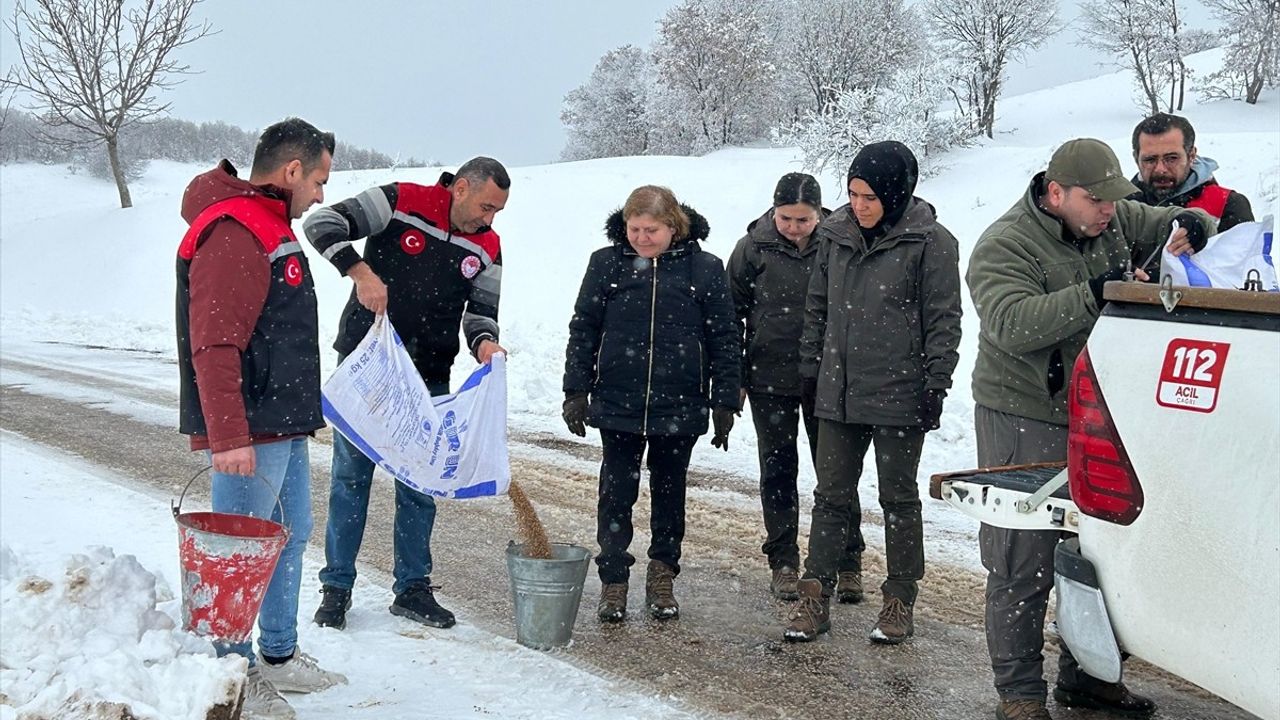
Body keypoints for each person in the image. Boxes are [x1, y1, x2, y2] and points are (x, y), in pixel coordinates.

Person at [967, 138, 1215, 720]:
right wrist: (1093, 292)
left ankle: (1089, 677)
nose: (1109, 211)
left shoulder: (1113, 215)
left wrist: (1192, 225)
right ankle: (1021, 695)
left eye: (1114, 200)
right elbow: (1010, 324)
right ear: (1057, 194)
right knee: (1021, 559)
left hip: (1098, 409)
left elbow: (1184, 217)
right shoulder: (1004, 244)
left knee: (1099, 552)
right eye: (1095, 200)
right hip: (1023, 412)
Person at [177, 117, 347, 720]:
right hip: (250, 428)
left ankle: (277, 652)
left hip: (283, 420)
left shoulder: (270, 224)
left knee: (289, 536)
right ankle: (232, 671)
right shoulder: (235, 228)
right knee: (240, 553)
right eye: (320, 181)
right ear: (293, 170)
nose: (322, 195)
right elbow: (215, 342)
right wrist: (227, 436)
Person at [304, 157, 510, 631]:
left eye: (497, 211)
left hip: (429, 373)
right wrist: (359, 271)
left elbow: (481, 311)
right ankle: (336, 588)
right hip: (369, 364)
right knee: (350, 479)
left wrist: (484, 343)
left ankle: (412, 589)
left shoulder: (488, 246)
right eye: (485, 206)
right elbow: (322, 222)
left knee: (420, 485)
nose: (489, 218)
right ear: (460, 188)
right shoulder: (400, 202)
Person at [782, 141, 962, 646]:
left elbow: (944, 320)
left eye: (869, 196)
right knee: (830, 497)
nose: (858, 205)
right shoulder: (834, 235)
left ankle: (899, 599)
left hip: (900, 392)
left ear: (896, 192)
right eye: (852, 193)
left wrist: (935, 383)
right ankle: (814, 595)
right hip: (837, 390)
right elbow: (817, 307)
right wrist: (809, 368)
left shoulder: (932, 243)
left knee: (898, 499)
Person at [562, 185, 740, 622]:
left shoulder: (705, 268)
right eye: (634, 228)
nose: (641, 238)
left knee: (668, 493)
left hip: (679, 403)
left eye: (651, 230)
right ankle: (614, 580)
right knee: (616, 494)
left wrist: (724, 402)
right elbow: (583, 328)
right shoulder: (606, 265)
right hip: (618, 399)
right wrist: (575, 391)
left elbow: (725, 338)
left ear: (673, 226)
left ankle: (662, 575)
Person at [727, 173, 865, 603]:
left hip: (828, 378)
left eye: (802, 219)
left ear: (820, 213)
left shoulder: (839, 242)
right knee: (778, 470)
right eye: (785, 218)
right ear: (773, 211)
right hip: (769, 376)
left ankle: (848, 561)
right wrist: (735, 377)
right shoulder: (753, 247)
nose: (793, 227)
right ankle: (783, 560)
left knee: (836, 474)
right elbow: (730, 314)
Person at [1129, 113, 1253, 232]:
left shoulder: (1226, 206)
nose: (1160, 169)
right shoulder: (1119, 206)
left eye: (1171, 158)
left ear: (1191, 155)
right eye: (1150, 160)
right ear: (1136, 159)